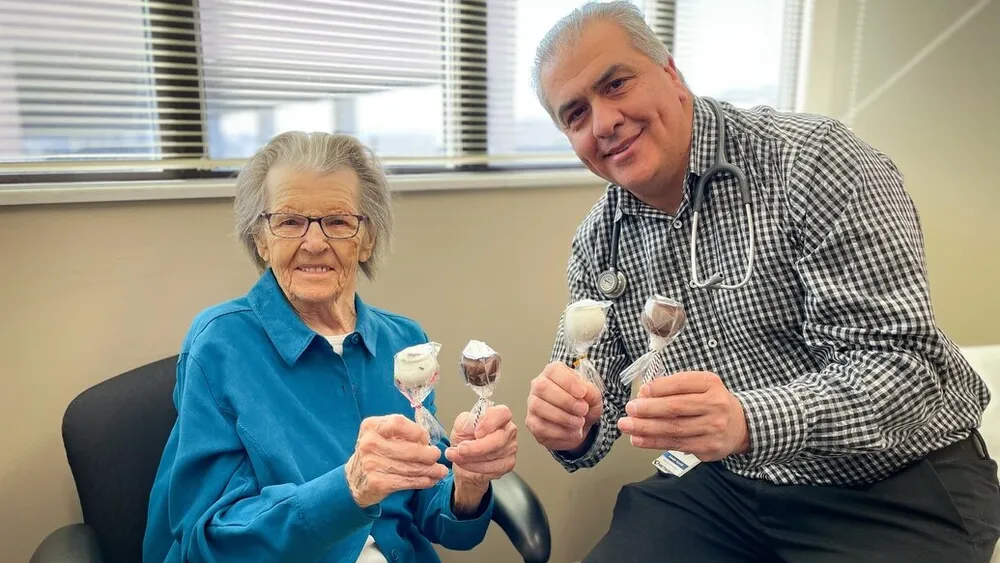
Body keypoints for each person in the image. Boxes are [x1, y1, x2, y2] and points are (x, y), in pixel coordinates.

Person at [524, 2, 1000, 562]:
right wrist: (570, 422)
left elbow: (903, 370)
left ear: (672, 74)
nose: (603, 123)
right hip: (732, 484)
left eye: (617, 84)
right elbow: (589, 399)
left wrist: (748, 421)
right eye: (575, 114)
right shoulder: (599, 241)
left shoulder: (815, 164)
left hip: (894, 480)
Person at [143, 132, 518, 563]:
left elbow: (434, 516)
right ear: (261, 240)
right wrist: (349, 489)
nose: (315, 242)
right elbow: (210, 541)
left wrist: (468, 484)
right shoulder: (219, 347)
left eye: (339, 221)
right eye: (289, 221)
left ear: (368, 238)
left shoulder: (405, 344)